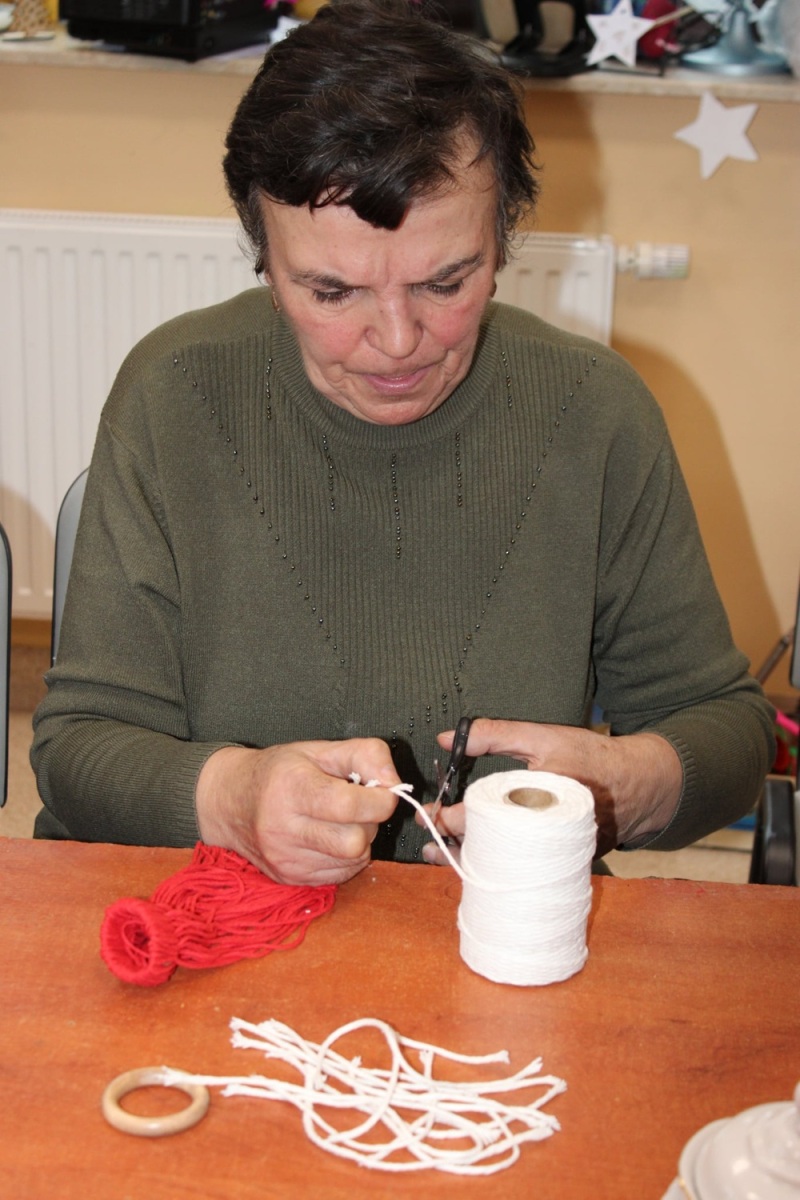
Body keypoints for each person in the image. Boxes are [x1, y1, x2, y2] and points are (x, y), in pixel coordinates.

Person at [31, 0, 774, 886]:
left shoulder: (593, 413)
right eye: (331, 292)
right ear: (264, 260)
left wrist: (626, 784)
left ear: (503, 240)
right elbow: (77, 750)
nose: (396, 340)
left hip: (496, 926)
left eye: (444, 283)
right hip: (221, 920)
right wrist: (230, 799)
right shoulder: (175, 394)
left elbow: (727, 730)